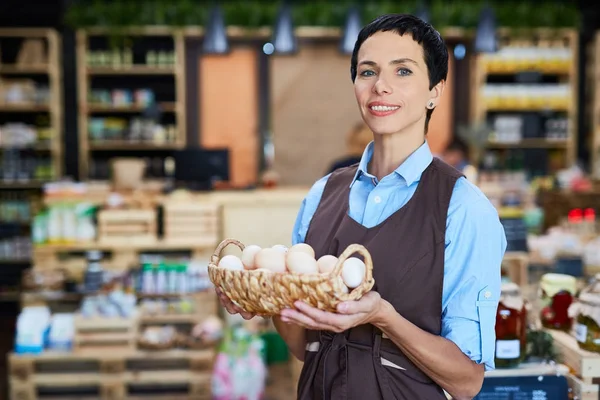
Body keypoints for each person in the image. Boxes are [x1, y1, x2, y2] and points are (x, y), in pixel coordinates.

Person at [217, 14, 506, 400]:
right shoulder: (322, 195)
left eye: (403, 71)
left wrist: (382, 315)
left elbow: (466, 381)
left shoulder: (463, 208)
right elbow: (306, 348)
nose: (381, 86)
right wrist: (269, 301)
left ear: (435, 91)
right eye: (367, 72)